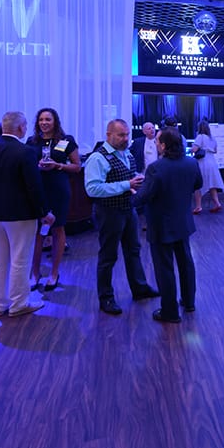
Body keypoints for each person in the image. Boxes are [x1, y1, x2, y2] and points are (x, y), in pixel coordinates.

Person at [0, 111, 50, 318]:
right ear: (20, 128)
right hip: (21, 214)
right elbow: (34, 186)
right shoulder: (25, 152)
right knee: (20, 259)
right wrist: (44, 211)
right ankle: (19, 303)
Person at [84, 118, 159, 315]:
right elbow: (92, 189)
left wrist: (136, 183)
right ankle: (106, 298)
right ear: (108, 135)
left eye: (127, 134)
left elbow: (128, 178)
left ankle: (140, 288)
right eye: (120, 135)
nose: (125, 138)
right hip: (108, 212)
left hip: (128, 210)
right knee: (108, 256)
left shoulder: (127, 153)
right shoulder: (97, 158)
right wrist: (127, 185)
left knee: (133, 250)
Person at [132, 127, 202, 324]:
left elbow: (144, 197)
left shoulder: (156, 168)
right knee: (186, 263)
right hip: (183, 222)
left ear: (163, 145)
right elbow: (197, 184)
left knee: (164, 268)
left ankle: (170, 312)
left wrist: (132, 194)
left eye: (157, 141)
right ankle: (189, 302)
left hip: (161, 224)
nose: (155, 144)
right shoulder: (191, 163)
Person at [27, 108, 81, 291]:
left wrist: (58, 165)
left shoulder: (66, 140)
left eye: (48, 119)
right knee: (37, 232)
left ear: (55, 121)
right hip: (38, 190)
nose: (44, 122)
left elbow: (77, 166)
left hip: (58, 189)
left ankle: (54, 273)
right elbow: (26, 165)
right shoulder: (32, 141)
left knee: (57, 228)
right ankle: (35, 273)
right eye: (41, 119)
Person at [191, 120, 224, 213]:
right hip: (212, 163)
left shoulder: (200, 136)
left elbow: (194, 149)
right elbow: (215, 150)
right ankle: (217, 203)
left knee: (198, 184)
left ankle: (198, 207)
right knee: (211, 184)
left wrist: (191, 148)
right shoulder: (212, 138)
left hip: (203, 163)